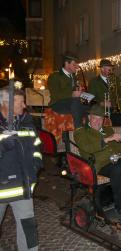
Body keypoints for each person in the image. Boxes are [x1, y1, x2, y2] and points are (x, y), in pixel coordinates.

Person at [74, 105, 121, 216]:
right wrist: (108, 139)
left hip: (117, 159)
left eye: (100, 119)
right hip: (99, 164)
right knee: (117, 169)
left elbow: (118, 147)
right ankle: (120, 206)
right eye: (94, 118)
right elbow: (88, 147)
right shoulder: (81, 132)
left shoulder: (108, 129)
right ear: (89, 117)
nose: (97, 121)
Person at [0, 88, 42, 250]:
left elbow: (37, 146)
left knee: (28, 229)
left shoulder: (26, 122)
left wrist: (35, 166)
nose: (24, 105)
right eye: (20, 102)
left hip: (23, 186)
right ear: (6, 104)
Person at [47, 53, 89, 128]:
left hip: (72, 103)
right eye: (74, 64)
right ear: (66, 64)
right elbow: (55, 95)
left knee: (90, 102)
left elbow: (75, 92)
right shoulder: (55, 76)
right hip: (58, 104)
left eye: (77, 64)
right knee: (77, 103)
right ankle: (79, 130)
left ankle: (89, 130)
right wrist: (72, 94)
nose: (77, 67)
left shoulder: (74, 77)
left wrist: (81, 93)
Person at [88, 59, 121, 126]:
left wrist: (118, 102)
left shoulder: (115, 79)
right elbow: (90, 99)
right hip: (102, 110)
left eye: (111, 69)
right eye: (109, 69)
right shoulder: (93, 82)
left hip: (116, 109)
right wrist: (101, 103)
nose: (111, 71)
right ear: (102, 69)